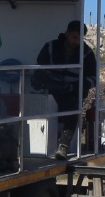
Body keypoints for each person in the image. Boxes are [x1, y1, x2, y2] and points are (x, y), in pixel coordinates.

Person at [35, 20, 98, 159]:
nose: (77, 41)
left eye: (80, 38)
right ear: (67, 33)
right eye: (74, 37)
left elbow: (93, 77)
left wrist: (79, 87)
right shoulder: (50, 47)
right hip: (50, 89)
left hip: (72, 92)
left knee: (73, 110)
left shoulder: (87, 53)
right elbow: (39, 68)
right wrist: (47, 81)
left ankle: (62, 147)